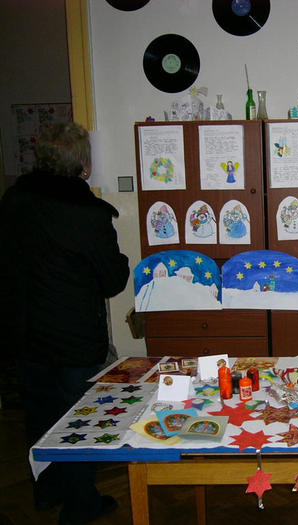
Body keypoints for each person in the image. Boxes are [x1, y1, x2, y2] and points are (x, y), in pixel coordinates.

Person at [0, 121, 129, 524]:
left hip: (26, 334)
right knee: (79, 419)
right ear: (83, 165)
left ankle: (46, 490)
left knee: (40, 415)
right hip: (74, 338)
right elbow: (113, 280)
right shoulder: (88, 214)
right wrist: (121, 260)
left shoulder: (14, 200)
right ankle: (79, 503)